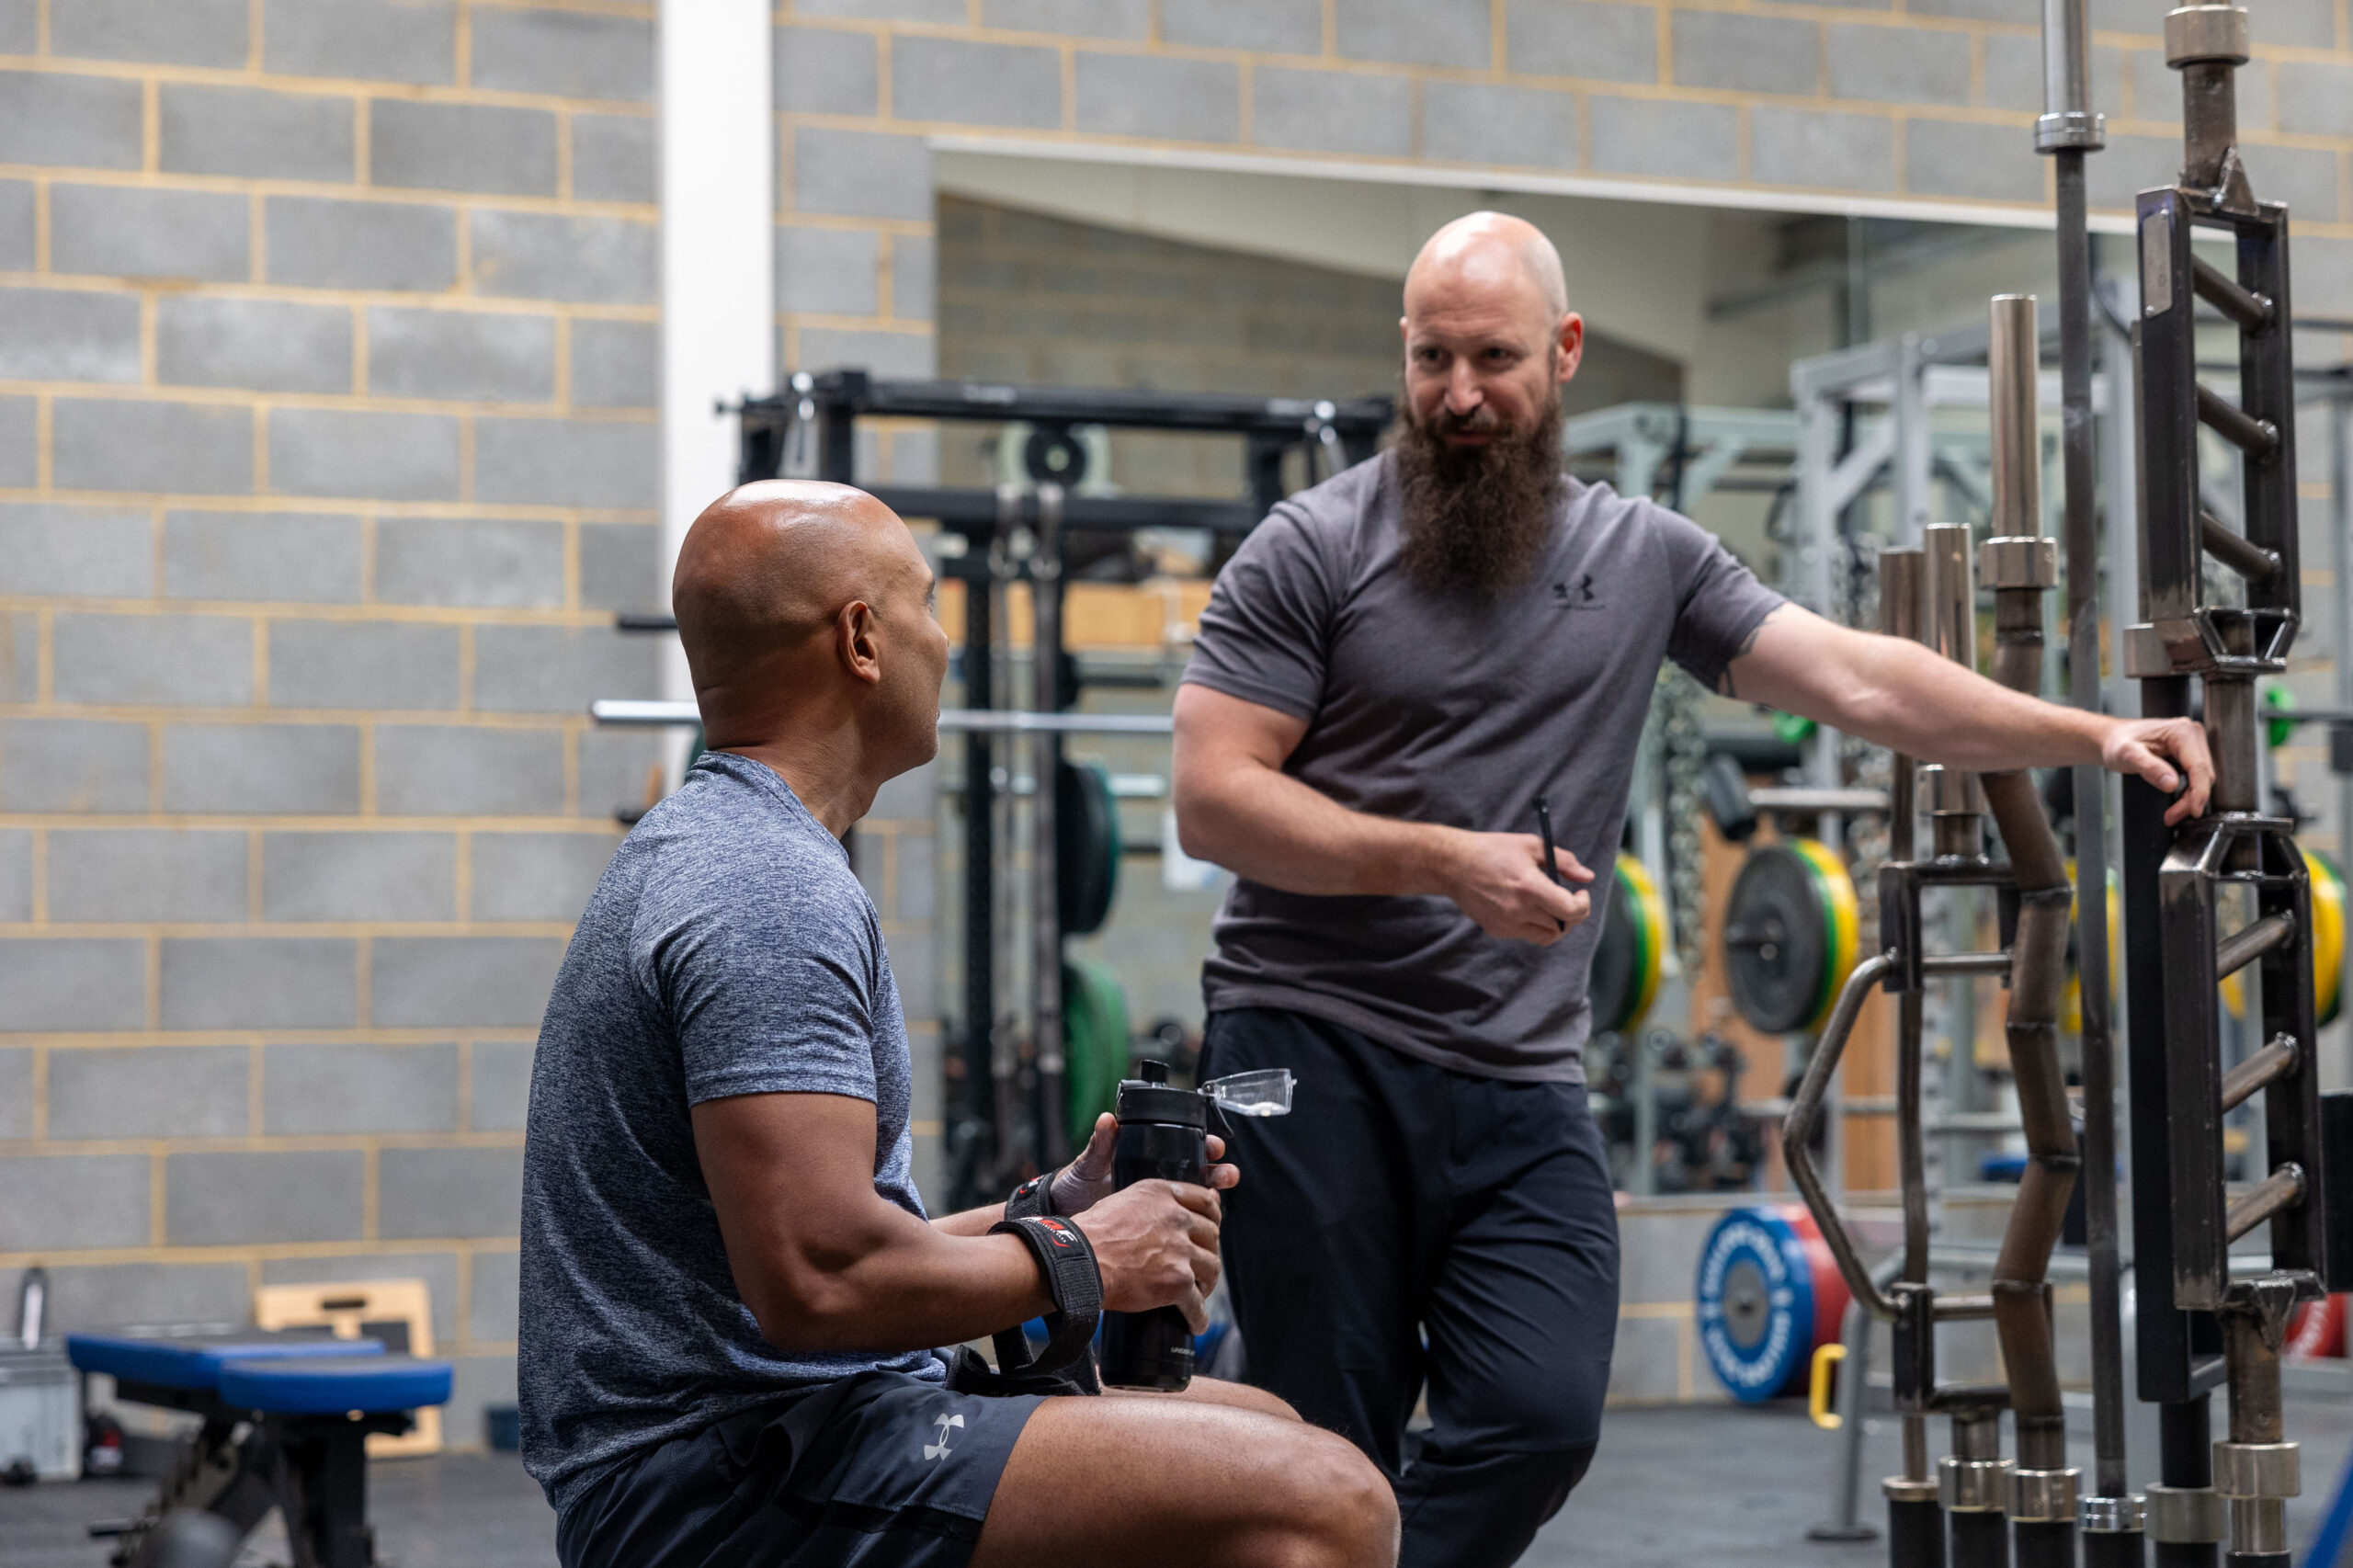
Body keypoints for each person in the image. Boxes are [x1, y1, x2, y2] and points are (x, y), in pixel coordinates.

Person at [1170, 211, 2212, 1568]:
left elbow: (1855, 676)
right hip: (1311, 1041)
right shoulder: (1310, 547)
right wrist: (1440, 858)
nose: (1462, 395)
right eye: (1433, 359)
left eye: (1494, 357)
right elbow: (1215, 794)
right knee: (1326, 1444)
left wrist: (2089, 735)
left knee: (1540, 1416)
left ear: (1567, 351)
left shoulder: (1646, 556)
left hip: (1518, 1071)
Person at [517, 480, 1398, 1568]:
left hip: (785, 1430)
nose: (945, 639)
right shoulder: (763, 887)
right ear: (861, 638)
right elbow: (819, 1283)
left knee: (1270, 1430)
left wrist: (1043, 1211)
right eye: (927, 604)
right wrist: (1083, 1252)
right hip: (711, 1483)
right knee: (1330, 1501)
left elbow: (832, 1248)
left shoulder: (738, 852)